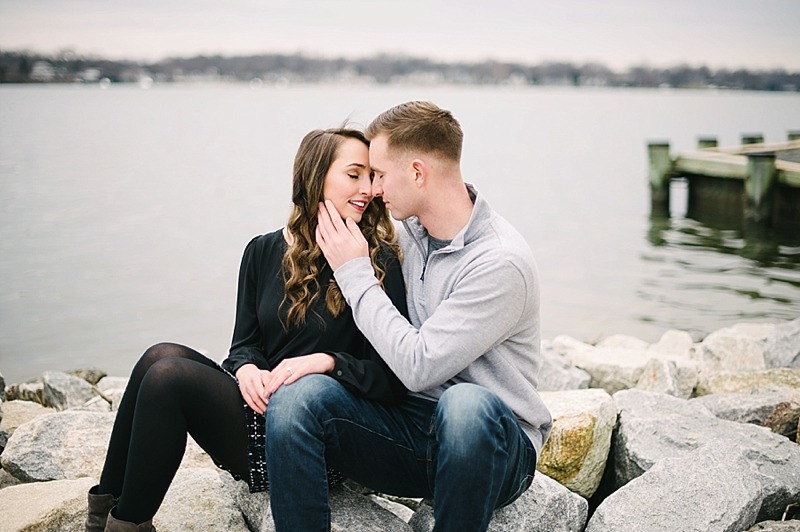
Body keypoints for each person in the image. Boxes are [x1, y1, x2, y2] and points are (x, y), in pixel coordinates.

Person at [85, 127, 408, 531]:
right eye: (354, 174)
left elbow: (393, 379)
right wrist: (246, 370)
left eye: (372, 177)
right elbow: (243, 345)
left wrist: (326, 364)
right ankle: (102, 514)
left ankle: (126, 524)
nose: (368, 189)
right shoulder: (263, 250)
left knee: (169, 378)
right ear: (314, 176)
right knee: (159, 355)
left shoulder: (376, 261)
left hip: (311, 435)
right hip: (259, 409)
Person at [263, 101, 553, 531]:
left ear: (417, 173)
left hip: (493, 448)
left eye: (378, 175)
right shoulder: (407, 237)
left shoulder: (498, 262)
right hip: (412, 433)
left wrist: (355, 273)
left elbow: (419, 366)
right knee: (296, 400)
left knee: (464, 404)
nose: (374, 189)